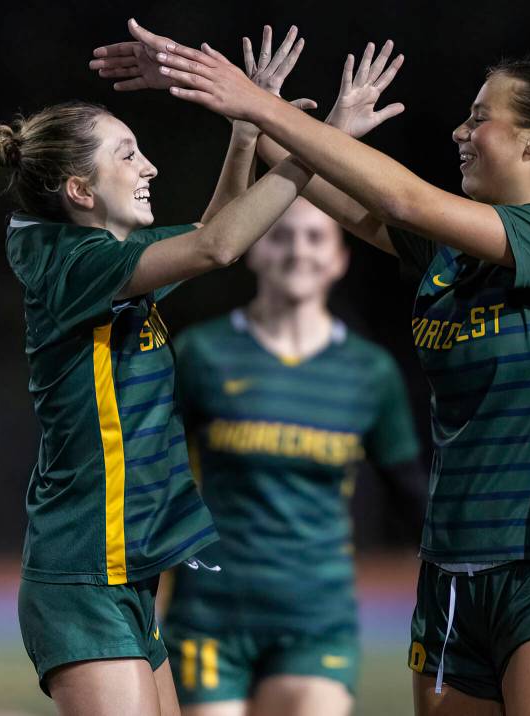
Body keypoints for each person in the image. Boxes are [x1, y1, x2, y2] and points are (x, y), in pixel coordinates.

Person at [93, 23, 530, 716]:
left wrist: (258, 107)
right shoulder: (450, 256)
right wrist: (230, 103)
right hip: (450, 579)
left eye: (480, 117)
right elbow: (329, 186)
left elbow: (403, 198)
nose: (461, 132)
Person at [0, 27, 318, 716]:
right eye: (129, 154)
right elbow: (219, 246)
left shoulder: (107, 262)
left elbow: (213, 232)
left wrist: (245, 133)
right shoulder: (76, 267)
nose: (148, 166)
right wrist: (308, 145)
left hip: (123, 571)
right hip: (83, 574)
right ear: (80, 190)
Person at [163, 196, 424, 716]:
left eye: (314, 237)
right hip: (210, 612)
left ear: (339, 258)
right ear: (253, 249)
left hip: (316, 615)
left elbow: (411, 493)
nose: (297, 250)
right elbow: (154, 479)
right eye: (281, 235)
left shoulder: (369, 371)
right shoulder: (201, 354)